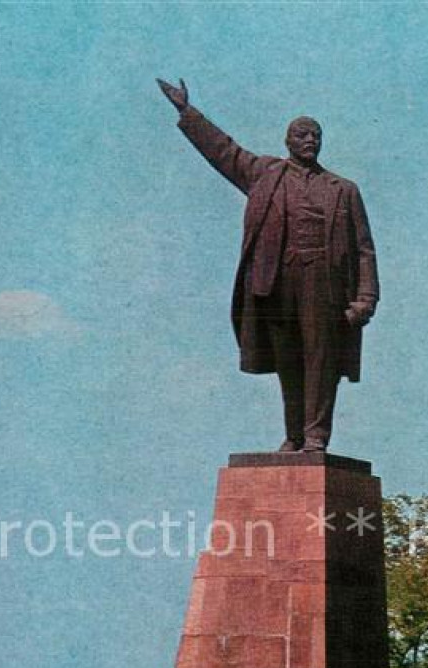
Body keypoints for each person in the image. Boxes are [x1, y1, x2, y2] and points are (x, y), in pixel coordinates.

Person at [157, 78, 380, 452]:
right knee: (288, 361)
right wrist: (187, 112)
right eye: (302, 135)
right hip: (277, 282)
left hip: (323, 284)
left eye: (316, 136)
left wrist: (365, 299)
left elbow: (364, 249)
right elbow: (223, 151)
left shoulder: (343, 189)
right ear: (287, 141)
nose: (310, 141)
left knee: (320, 361)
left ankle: (315, 435)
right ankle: (294, 435)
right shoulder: (265, 174)